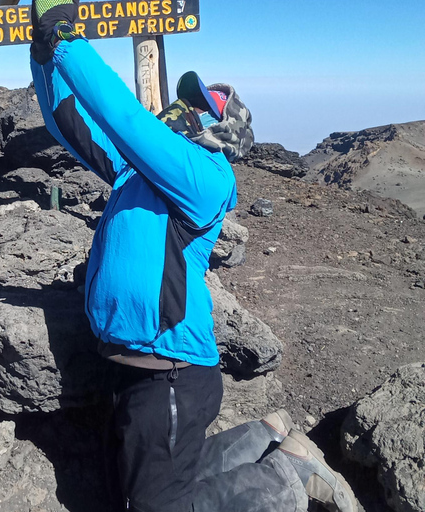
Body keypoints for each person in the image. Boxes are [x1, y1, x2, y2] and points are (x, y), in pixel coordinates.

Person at [28, 1, 358, 511]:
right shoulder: (136, 172)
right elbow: (69, 123)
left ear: (225, 135)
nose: (186, 108)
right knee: (137, 492)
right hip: (134, 361)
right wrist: (44, 55)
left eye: (201, 107)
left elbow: (126, 119)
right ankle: (264, 435)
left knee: (154, 507)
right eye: (186, 101)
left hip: (171, 372)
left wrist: (65, 40)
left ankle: (288, 480)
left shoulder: (205, 178)